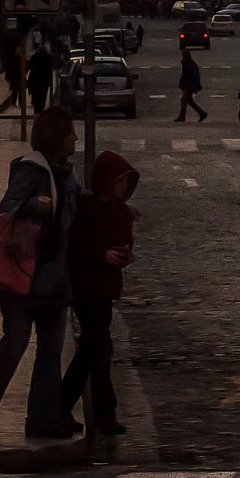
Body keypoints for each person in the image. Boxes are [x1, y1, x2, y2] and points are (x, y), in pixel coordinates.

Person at [0, 108, 81, 440]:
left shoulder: (66, 175)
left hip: (54, 278)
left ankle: (42, 419)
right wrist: (33, 207)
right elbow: (8, 207)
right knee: (15, 342)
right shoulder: (33, 170)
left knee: (50, 350)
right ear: (56, 137)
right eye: (70, 132)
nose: (75, 137)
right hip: (22, 275)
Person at [60, 149, 139, 436]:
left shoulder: (122, 213)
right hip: (85, 286)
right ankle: (105, 413)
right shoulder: (86, 208)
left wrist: (122, 256)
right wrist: (101, 255)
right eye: (120, 182)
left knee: (89, 350)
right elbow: (76, 248)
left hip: (106, 287)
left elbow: (124, 243)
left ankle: (61, 405)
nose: (124, 188)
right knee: (101, 348)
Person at [175, 44, 206, 123]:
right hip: (188, 85)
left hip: (189, 86)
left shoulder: (189, 64)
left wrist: (194, 86)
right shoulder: (189, 63)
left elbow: (191, 76)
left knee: (184, 100)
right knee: (189, 101)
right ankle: (201, 113)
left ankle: (182, 116)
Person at [27, 34, 54, 114]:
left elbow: (29, 66)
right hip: (44, 81)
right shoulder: (48, 58)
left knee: (35, 96)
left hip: (35, 80)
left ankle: (36, 110)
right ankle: (40, 110)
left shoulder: (34, 57)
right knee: (42, 96)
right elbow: (50, 69)